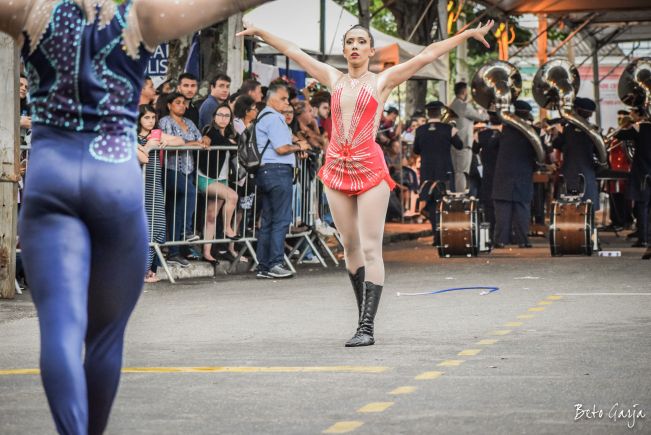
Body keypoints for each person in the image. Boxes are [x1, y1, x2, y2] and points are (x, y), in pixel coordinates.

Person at [2, 0, 268, 433]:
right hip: (115, 177)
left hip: (51, 176)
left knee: (59, 329)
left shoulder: (31, 11)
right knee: (105, 339)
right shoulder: (138, 17)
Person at [238, 19, 494, 346]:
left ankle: (366, 327)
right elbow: (293, 50)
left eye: (361, 41)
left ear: (371, 50)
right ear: (344, 50)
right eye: (350, 42)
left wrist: (467, 34)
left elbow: (427, 54)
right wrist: (261, 32)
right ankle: (362, 317)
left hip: (370, 169)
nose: (355, 46)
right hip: (337, 168)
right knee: (350, 246)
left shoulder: (382, 81)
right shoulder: (333, 78)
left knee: (371, 246)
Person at [251, 82, 310, 279]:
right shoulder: (274, 118)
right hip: (277, 171)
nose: (287, 103)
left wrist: (295, 142)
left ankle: (263, 266)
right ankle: (275, 263)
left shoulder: (264, 116)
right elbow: (281, 148)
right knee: (281, 219)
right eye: (283, 99)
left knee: (268, 220)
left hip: (266, 171)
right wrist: (299, 147)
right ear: (272, 98)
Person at [136, 104, 185, 283]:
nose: (150, 121)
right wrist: (148, 147)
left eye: (152, 117)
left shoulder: (155, 134)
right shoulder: (132, 137)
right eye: (146, 117)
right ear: (138, 119)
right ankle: (141, 271)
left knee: (157, 227)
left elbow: (180, 140)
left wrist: (167, 142)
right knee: (144, 229)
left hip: (154, 184)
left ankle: (148, 269)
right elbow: (141, 158)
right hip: (138, 185)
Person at [160, 92, 204, 267]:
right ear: (169, 105)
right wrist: (191, 143)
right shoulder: (165, 121)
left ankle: (174, 252)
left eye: (183, 103)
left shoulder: (189, 122)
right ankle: (186, 230)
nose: (182, 105)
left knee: (177, 211)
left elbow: (201, 140)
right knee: (190, 192)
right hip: (171, 168)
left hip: (188, 169)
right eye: (177, 102)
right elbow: (169, 145)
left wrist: (191, 143)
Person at [413, 101, 464, 244]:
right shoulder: (448, 129)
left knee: (430, 204)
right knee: (445, 203)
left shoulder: (420, 130)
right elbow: (460, 145)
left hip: (427, 172)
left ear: (428, 113)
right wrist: (454, 131)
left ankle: (436, 235)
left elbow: (416, 150)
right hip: (444, 171)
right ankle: (444, 236)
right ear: (440, 113)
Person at [198, 104, 240, 263]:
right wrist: (230, 143)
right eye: (220, 115)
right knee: (232, 196)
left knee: (211, 216)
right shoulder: (210, 131)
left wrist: (232, 142)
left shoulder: (230, 134)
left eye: (227, 116)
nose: (223, 118)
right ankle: (227, 228)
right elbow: (216, 141)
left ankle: (207, 252)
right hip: (206, 177)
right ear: (214, 117)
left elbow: (239, 145)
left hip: (222, 178)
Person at [492, 101, 537, 248]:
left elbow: (491, 148)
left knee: (502, 210)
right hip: (523, 174)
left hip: (503, 174)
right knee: (522, 209)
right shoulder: (532, 132)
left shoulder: (504, 130)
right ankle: (523, 241)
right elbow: (540, 153)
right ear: (528, 114)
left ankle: (500, 240)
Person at [552, 98, 602, 212]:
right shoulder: (594, 130)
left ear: (577, 110)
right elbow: (600, 153)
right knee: (588, 208)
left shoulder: (567, 129)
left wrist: (556, 134)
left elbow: (557, 144)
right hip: (587, 173)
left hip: (569, 172)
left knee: (568, 209)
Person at [449, 82, 489, 192]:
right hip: (464, 144)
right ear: (464, 91)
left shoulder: (452, 105)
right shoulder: (465, 106)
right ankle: (460, 196)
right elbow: (482, 117)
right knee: (462, 172)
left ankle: (458, 193)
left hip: (454, 143)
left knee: (457, 171)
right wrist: (486, 108)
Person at [473, 112, 502, 238]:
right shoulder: (507, 134)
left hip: (488, 173)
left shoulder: (482, 134)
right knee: (503, 204)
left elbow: (474, 149)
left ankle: (490, 233)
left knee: (489, 204)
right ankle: (504, 234)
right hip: (503, 174)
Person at [627, 107, 651, 252]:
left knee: (642, 206)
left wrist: (629, 125)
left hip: (643, 174)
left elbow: (620, 135)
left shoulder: (640, 128)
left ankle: (643, 238)